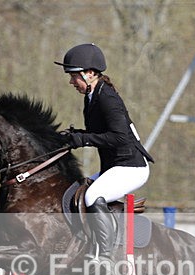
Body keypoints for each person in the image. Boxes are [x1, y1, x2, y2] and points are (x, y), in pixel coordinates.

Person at [55, 43, 154, 263]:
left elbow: (120, 137)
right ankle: (85, 244)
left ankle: (105, 256)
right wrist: (73, 136)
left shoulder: (107, 98)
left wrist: (82, 139)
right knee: (76, 192)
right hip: (115, 166)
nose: (71, 82)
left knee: (92, 196)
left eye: (74, 77)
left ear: (89, 74)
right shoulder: (92, 96)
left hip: (132, 167)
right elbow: (98, 133)